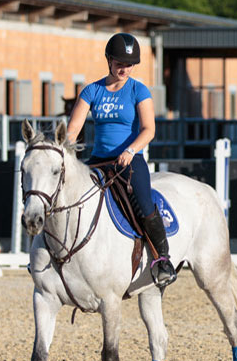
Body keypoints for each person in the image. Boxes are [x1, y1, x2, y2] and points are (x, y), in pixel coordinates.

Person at [64, 32, 176, 288]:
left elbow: (149, 129)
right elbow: (73, 129)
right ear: (109, 61)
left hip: (128, 159)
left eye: (129, 64)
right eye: (119, 63)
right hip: (98, 160)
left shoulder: (139, 90)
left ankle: (162, 259)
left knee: (143, 199)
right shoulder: (92, 90)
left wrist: (131, 150)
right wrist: (63, 150)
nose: (124, 68)